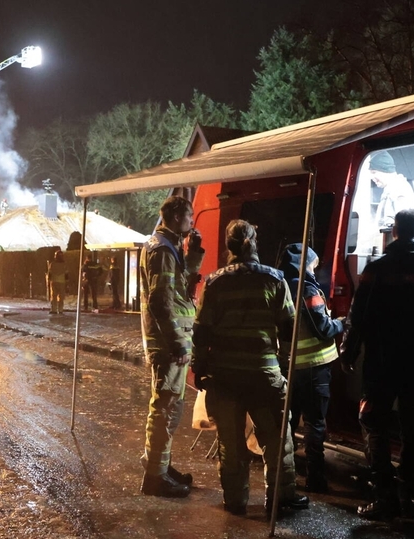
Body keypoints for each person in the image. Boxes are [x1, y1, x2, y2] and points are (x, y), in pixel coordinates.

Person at [340, 208, 414, 520]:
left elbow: (357, 316)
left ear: (393, 231)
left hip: (381, 361)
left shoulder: (376, 269)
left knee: (373, 423)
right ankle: (407, 493)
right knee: (412, 426)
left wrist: (348, 352)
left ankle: (385, 497)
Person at [192, 220, 308, 516]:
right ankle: (279, 499)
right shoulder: (275, 279)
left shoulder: (215, 282)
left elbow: (201, 330)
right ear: (254, 244)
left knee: (230, 444)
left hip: (226, 378)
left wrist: (201, 368)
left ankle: (235, 501)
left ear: (229, 246)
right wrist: (283, 365)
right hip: (265, 377)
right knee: (276, 442)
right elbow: (289, 327)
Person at [138, 195, 203, 498]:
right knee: (166, 409)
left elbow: (180, 286)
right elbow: (160, 301)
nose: (192, 221)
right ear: (176, 217)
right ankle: (155, 478)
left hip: (169, 342)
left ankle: (159, 465)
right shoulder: (162, 250)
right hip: (168, 345)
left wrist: (194, 254)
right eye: (189, 216)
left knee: (166, 408)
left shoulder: (166, 246)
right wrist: (178, 341)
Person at [278, 243, 344, 493]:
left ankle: (285, 475)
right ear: (305, 265)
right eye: (313, 266)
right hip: (315, 367)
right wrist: (341, 323)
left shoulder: (279, 285)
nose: (315, 271)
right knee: (315, 424)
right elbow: (323, 328)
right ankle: (315, 479)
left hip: (289, 367)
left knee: (289, 423)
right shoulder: (307, 288)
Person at [368, 150, 414, 247]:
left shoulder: (399, 189)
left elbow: (404, 226)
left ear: (385, 170)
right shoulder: (389, 189)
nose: (371, 177)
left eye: (374, 172)